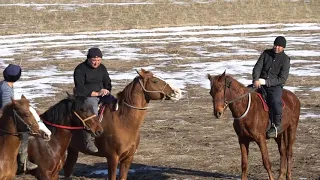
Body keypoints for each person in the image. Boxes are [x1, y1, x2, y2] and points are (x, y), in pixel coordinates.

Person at [73, 47, 117, 153]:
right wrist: (95, 93)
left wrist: (106, 90)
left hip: (101, 93)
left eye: (98, 60)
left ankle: (112, 131)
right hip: (86, 95)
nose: (96, 63)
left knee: (115, 104)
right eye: (93, 60)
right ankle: (89, 140)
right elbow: (79, 87)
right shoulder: (80, 69)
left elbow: (107, 81)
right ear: (88, 59)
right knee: (92, 109)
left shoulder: (102, 68)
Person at [0, 64, 38, 173]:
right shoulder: (6, 89)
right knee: (24, 134)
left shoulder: (5, 84)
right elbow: (5, 108)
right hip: (4, 119)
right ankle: (23, 161)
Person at [252, 36, 290, 138]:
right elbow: (257, 67)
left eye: (279, 46)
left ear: (283, 48)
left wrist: (266, 82)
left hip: (275, 86)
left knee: (275, 101)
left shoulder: (285, 60)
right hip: (259, 83)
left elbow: (282, 79)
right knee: (247, 93)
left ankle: (276, 125)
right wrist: (256, 79)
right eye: (275, 45)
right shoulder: (266, 53)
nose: (276, 47)